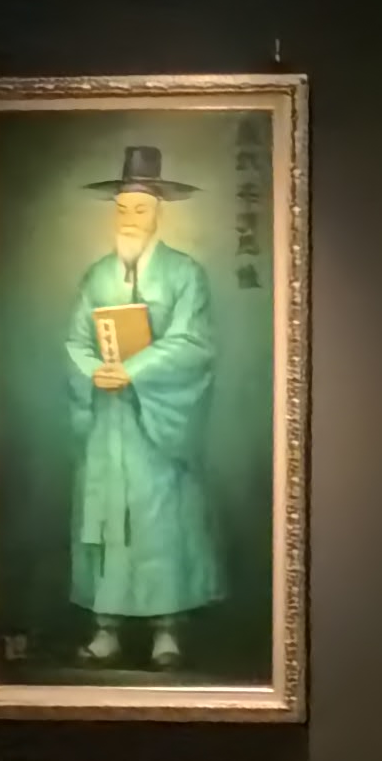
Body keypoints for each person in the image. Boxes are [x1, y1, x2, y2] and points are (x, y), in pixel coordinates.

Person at [67, 141, 224, 669]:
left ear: (159, 213)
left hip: (157, 420)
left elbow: (193, 343)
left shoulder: (184, 274)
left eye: (141, 208)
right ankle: (105, 627)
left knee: (160, 520)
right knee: (106, 518)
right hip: (108, 419)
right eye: (123, 208)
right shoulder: (96, 276)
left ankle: (166, 630)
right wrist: (95, 371)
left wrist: (134, 370)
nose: (130, 217)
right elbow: (75, 341)